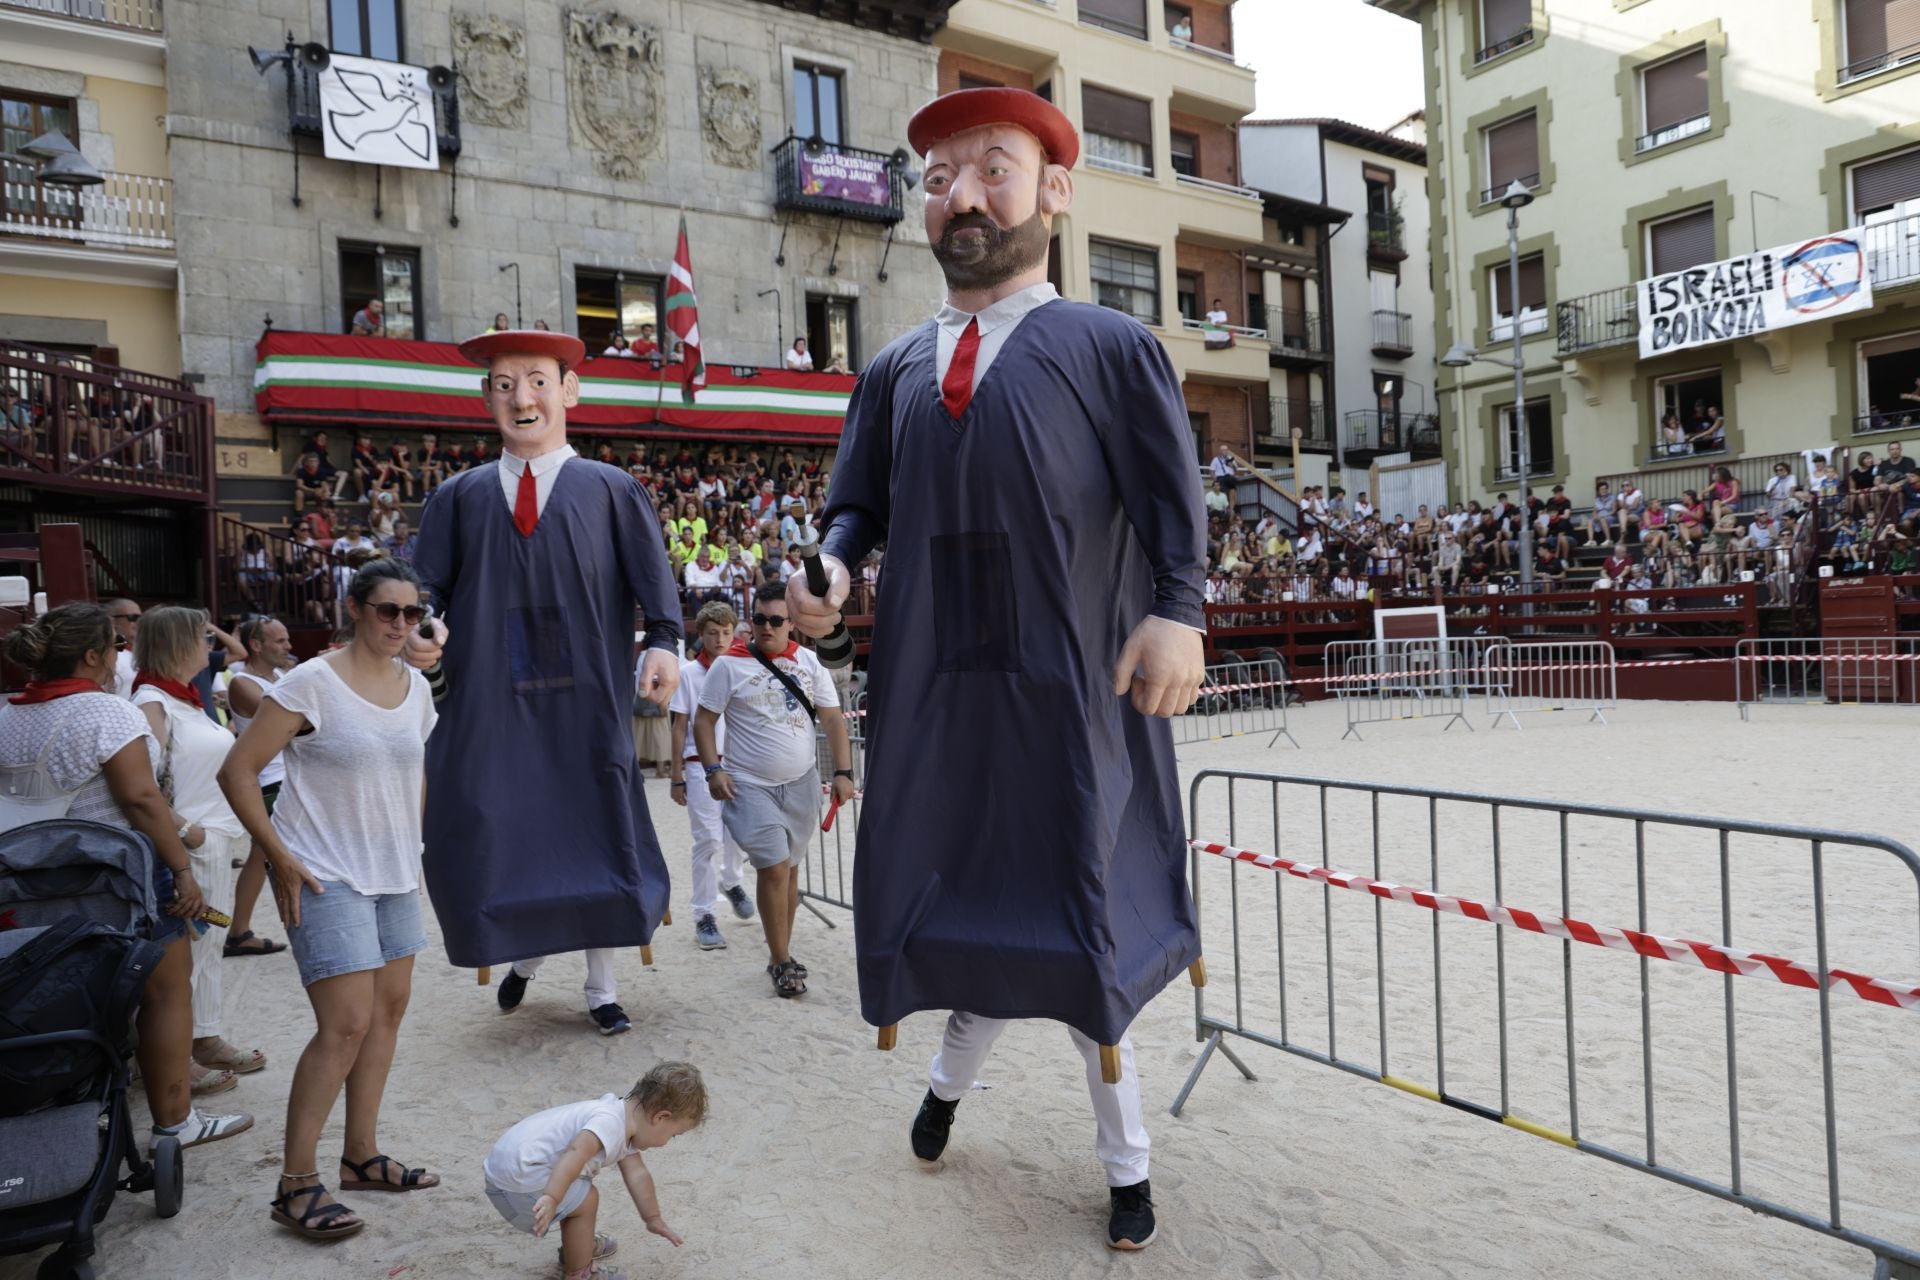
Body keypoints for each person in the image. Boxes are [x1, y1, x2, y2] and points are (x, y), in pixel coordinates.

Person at [792, 87, 1205, 1250]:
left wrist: (1180, 611)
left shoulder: (1111, 348)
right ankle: (943, 1090)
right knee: (967, 896)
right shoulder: (890, 371)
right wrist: (831, 567)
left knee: (1076, 915)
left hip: (1069, 691)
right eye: (937, 180)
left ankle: (1125, 1162)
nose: (962, 196)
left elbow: (1171, 499)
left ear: (1055, 191)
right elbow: (856, 506)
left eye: (991, 170)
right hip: (940, 690)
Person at [413, 327, 683, 1035]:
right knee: (501, 827)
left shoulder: (613, 489)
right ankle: (524, 957)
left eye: (537, 381)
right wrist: (422, 626)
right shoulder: (458, 497)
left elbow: (656, 586)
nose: (521, 398)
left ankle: (601, 985)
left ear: (569, 391)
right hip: (490, 700)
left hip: (586, 693)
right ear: (486, 398)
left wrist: (665, 642)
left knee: (596, 826)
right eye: (505, 385)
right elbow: (424, 590)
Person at [218, 558, 447, 1241]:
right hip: (324, 872)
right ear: (354, 609)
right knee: (345, 1024)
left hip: (394, 873)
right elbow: (238, 770)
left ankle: (360, 1156)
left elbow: (414, 772)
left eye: (413, 613)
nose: (401, 624)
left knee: (387, 1014)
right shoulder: (312, 681)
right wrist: (279, 856)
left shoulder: (415, 688)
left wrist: (413, 845)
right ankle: (295, 1183)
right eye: (388, 611)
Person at [0, 604, 252, 1155]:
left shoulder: (7, 716)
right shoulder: (108, 713)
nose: (121, 654)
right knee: (166, 991)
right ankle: (175, 1122)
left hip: (28, 882)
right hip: (115, 877)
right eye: (115, 646)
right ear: (93, 656)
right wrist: (182, 870)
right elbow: (140, 799)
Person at [131, 605, 266, 1091]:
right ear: (176, 644)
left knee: (208, 946)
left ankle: (203, 1035)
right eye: (201, 638)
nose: (209, 649)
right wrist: (189, 833)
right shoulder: (152, 702)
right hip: (190, 846)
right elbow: (140, 784)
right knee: (187, 952)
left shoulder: (182, 699)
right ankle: (176, 1054)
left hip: (211, 843)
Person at [694, 583, 852, 996]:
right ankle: (782, 961)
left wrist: (844, 772)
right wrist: (713, 769)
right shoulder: (729, 665)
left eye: (776, 620)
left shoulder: (810, 663)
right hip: (749, 785)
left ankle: (779, 951)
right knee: (775, 868)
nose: (767, 627)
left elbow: (833, 720)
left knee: (791, 869)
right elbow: (703, 720)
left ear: (792, 623)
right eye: (760, 618)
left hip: (801, 783)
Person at [483, 1062, 705, 1280]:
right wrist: (552, 1197)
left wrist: (652, 1217)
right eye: (674, 1135)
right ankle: (579, 1272)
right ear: (661, 1117)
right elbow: (576, 1152)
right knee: (586, 1199)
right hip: (521, 1182)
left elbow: (638, 1174)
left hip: (505, 1168)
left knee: (576, 1194)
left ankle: (578, 1247)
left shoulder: (621, 1116)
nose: (668, 1142)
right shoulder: (609, 1123)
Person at [668, 602, 754, 951]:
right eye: (713, 633)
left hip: (739, 763)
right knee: (707, 840)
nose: (720, 639)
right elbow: (679, 726)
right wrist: (676, 775)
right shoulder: (689, 673)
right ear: (701, 635)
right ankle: (704, 914)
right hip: (699, 765)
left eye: (726, 632)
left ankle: (731, 881)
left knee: (739, 834)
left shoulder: (742, 667)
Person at [223, 615, 293, 960]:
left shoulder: (279, 676)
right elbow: (292, 719)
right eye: (280, 641)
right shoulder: (242, 682)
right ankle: (294, 928)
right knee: (278, 859)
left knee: (262, 857)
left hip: (285, 777)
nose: (288, 646)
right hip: (268, 781)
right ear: (256, 645)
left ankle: (238, 931)